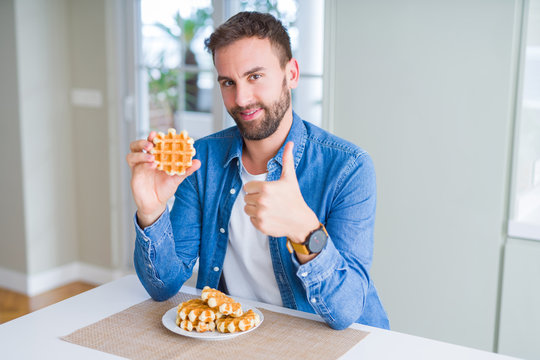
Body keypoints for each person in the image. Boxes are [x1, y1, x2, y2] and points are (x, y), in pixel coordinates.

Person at [127, 11, 389, 330]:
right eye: (228, 82)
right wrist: (151, 212)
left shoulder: (349, 168)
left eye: (255, 76)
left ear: (290, 73)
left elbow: (347, 312)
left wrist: (306, 231)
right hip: (237, 335)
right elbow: (162, 288)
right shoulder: (202, 160)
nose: (241, 99)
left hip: (329, 339)